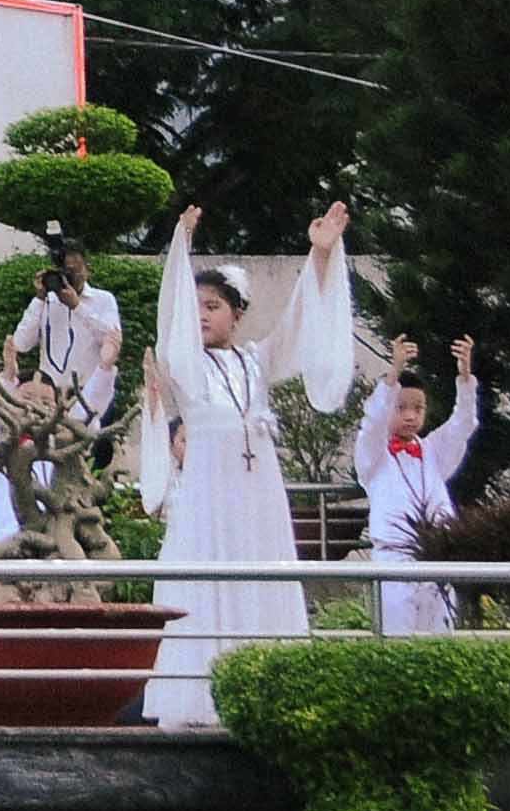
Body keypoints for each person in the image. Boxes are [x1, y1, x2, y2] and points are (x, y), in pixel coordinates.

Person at [139, 204, 358, 730]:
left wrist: (321, 255)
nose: (203, 315)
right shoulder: (188, 369)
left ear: (237, 313)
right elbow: (172, 321)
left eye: (213, 306)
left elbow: (300, 323)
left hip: (257, 496)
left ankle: (269, 688)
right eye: (197, 307)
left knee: (263, 575)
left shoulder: (255, 361)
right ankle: (200, 697)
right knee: (207, 577)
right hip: (209, 495)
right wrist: (179, 247)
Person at [355, 334, 485, 635]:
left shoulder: (433, 451)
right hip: (393, 559)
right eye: (400, 408)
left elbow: (462, 424)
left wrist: (465, 378)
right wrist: (393, 373)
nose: (411, 416)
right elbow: (372, 424)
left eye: (418, 408)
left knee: (441, 638)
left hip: (436, 557)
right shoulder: (372, 455)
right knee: (397, 639)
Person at [8, 233, 128, 429]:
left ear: (88, 269)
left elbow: (112, 339)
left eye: (76, 269)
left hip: (85, 395)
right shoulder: (47, 301)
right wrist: (39, 298)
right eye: (67, 271)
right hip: (49, 398)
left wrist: (77, 307)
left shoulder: (103, 300)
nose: (71, 276)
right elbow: (21, 343)